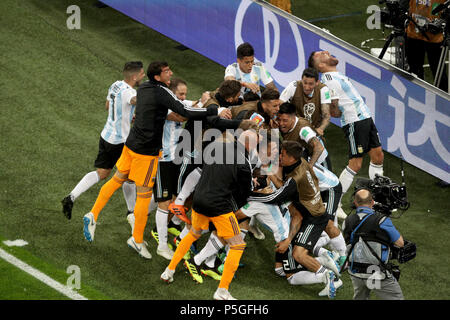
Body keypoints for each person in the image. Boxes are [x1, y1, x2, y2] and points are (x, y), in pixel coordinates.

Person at [82, 61, 220, 260]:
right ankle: (137, 239)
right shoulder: (161, 92)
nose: (170, 72)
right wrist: (211, 110)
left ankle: (93, 214)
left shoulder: (145, 86)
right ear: (158, 76)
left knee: (117, 179)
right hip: (146, 151)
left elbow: (177, 106)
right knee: (144, 194)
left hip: (131, 144)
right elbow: (186, 112)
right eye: (166, 71)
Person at [160, 129, 258, 300]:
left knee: (193, 233)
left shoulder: (216, 147)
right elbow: (245, 194)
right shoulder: (244, 162)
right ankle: (222, 291)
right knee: (237, 245)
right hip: (220, 207)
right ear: (250, 145)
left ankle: (169, 270)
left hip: (199, 200)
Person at [247, 140, 341, 299]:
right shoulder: (301, 162)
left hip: (313, 218)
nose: (280, 156)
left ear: (291, 157)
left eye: (282, 154)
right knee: (285, 266)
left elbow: (274, 197)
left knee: (298, 255)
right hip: (306, 214)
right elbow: (285, 189)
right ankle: (322, 260)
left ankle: (328, 275)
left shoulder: (295, 179)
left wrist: (250, 196)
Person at [61, 61, 145, 220]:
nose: (144, 76)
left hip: (107, 135)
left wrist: (126, 115)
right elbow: (135, 101)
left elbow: (108, 106)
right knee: (129, 176)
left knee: (102, 172)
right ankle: (131, 212)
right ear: (134, 76)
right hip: (121, 141)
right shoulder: (129, 92)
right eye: (142, 74)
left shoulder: (115, 85)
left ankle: (71, 197)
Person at [308, 50, 385, 219]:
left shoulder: (336, 75)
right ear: (321, 65)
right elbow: (334, 111)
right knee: (355, 164)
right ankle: (336, 203)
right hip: (354, 122)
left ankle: (378, 198)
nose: (327, 52)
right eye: (322, 54)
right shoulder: (328, 80)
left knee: (378, 156)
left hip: (365, 118)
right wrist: (336, 109)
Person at [152, 78, 210, 260]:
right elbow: (183, 116)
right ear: (172, 93)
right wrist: (203, 104)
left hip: (173, 157)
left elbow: (189, 104)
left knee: (168, 196)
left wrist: (207, 99)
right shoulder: (166, 107)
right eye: (181, 94)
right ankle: (159, 239)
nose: (184, 97)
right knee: (163, 200)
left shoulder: (178, 101)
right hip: (163, 158)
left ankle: (145, 219)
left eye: (185, 93)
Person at [342, 188, 405, 300]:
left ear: (355, 203)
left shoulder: (347, 221)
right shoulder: (381, 220)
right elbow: (400, 243)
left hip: (356, 272)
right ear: (372, 202)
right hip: (375, 273)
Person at [405, 0, 448, 92]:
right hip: (413, 32)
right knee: (414, 71)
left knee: (439, 74)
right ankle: (416, 95)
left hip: (434, 35)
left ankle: (442, 102)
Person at [280, 67, 331, 137]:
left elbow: (326, 115)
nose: (307, 87)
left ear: (317, 83)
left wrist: (320, 129)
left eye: (310, 84)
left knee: (319, 148)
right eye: (305, 83)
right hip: (294, 129)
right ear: (301, 80)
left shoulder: (323, 89)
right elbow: (279, 105)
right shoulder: (294, 86)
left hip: (314, 131)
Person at [277, 102, 329, 168]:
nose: (281, 123)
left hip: (318, 162)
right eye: (279, 119)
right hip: (303, 158)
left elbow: (319, 147)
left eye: (285, 120)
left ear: (293, 118)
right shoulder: (281, 123)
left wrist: (309, 168)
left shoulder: (303, 130)